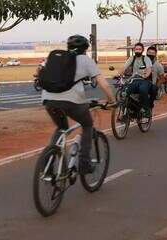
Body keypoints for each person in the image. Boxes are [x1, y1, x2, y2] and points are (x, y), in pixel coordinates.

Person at [41, 35, 115, 174]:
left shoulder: (55, 58)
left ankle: (48, 164)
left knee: (61, 127)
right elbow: (104, 84)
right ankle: (84, 163)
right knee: (87, 125)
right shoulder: (86, 60)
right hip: (72, 101)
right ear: (85, 49)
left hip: (48, 99)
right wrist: (112, 101)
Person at [118, 42, 153, 116]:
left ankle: (146, 109)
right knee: (125, 91)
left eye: (139, 49)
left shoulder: (146, 58)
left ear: (142, 50)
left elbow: (149, 69)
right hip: (134, 80)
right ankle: (126, 111)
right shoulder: (132, 58)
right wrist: (120, 73)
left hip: (144, 80)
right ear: (134, 50)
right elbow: (124, 67)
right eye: (136, 49)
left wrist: (146, 75)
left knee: (143, 90)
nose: (137, 51)